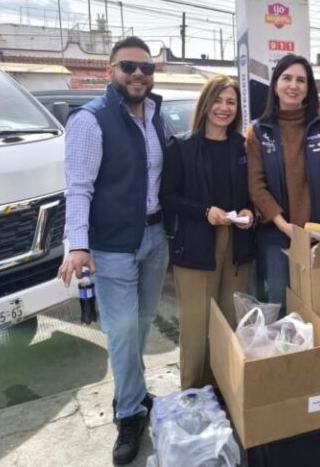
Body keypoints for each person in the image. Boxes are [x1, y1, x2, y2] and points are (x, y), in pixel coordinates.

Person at [58, 36, 169, 465]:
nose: (138, 74)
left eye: (146, 68)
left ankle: (132, 391)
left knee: (140, 324)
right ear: (110, 71)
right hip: (113, 245)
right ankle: (129, 413)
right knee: (122, 329)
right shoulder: (91, 120)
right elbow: (78, 187)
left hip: (155, 239)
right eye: (129, 67)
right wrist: (78, 245)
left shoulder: (156, 115)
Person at [160, 75, 255, 390]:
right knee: (197, 326)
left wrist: (250, 212)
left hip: (236, 244)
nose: (224, 108)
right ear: (205, 103)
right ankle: (192, 393)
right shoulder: (181, 146)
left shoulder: (242, 147)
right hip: (196, 244)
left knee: (229, 322)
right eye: (218, 100)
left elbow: (253, 192)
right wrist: (204, 211)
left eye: (231, 102)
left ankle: (225, 391)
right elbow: (168, 197)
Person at [246, 54, 320, 306]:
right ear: (275, 84)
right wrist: (284, 226)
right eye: (287, 78)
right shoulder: (258, 131)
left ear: (308, 88)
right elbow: (256, 186)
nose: (293, 85)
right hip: (277, 234)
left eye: (301, 80)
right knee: (281, 303)